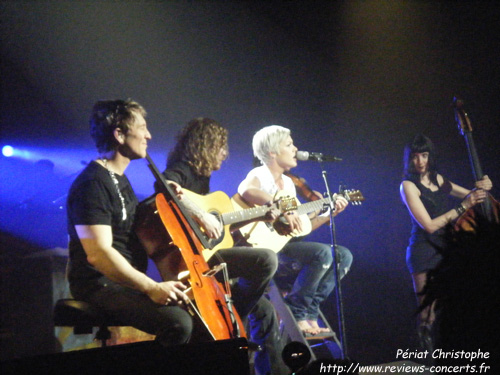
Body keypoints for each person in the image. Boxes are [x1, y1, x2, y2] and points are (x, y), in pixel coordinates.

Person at [158, 118, 288, 375]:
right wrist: (202, 215)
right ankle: (226, 327)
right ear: (204, 146)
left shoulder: (203, 180)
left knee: (264, 310)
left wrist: (260, 216)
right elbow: (166, 187)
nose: (226, 154)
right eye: (221, 147)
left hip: (207, 257)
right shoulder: (182, 170)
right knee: (266, 260)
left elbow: (219, 228)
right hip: (191, 261)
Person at [67, 99, 193, 347]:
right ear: (119, 134)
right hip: (98, 283)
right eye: (142, 127)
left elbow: (133, 225)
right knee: (178, 323)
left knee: (198, 311)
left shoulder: (119, 180)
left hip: (122, 281)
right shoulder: (92, 184)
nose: (149, 135)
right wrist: (151, 287)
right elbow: (98, 254)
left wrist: (165, 200)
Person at [237, 125, 353, 336]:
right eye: (289, 144)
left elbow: (298, 228)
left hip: (286, 246)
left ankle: (310, 311)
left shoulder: (288, 185)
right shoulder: (260, 173)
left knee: (343, 256)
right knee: (322, 253)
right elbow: (246, 190)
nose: (295, 148)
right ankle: (297, 312)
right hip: (267, 252)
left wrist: (329, 214)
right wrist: (278, 205)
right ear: (272, 152)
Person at [399, 133, 492, 350]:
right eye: (415, 156)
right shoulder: (407, 186)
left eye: (424, 155)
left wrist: (485, 187)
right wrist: (464, 206)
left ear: (430, 156)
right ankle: (428, 363)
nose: (420, 161)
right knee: (427, 315)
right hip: (423, 252)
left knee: (454, 305)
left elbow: (472, 195)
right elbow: (429, 226)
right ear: (409, 159)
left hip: (445, 249)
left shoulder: (437, 179)